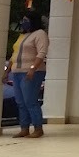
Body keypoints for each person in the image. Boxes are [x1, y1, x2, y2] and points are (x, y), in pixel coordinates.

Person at [5, 10, 48, 138]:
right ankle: (24, 128)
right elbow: (14, 56)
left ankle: (38, 128)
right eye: (23, 21)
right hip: (17, 72)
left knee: (30, 101)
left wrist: (32, 68)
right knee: (20, 102)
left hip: (32, 72)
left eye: (26, 21)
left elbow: (41, 53)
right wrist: (6, 71)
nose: (23, 23)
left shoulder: (40, 34)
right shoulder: (22, 36)